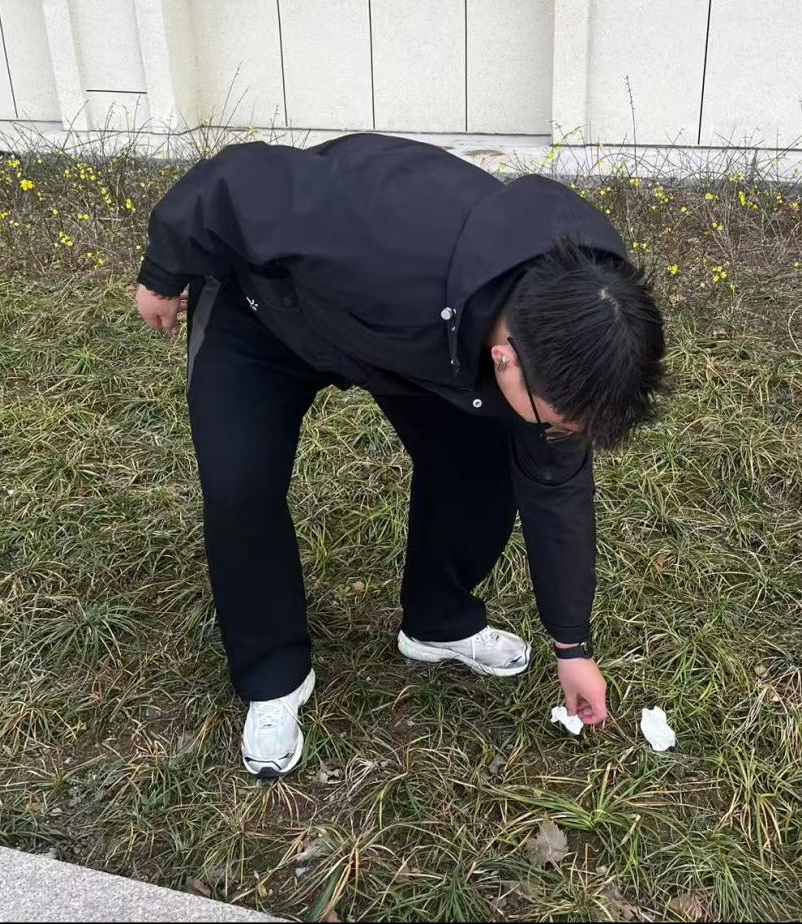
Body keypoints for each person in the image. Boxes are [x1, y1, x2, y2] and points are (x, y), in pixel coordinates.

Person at [135, 134, 665, 777]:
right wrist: (162, 274)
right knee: (238, 486)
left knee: (480, 461)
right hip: (266, 314)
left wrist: (571, 645)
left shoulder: (587, 312)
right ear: (505, 360)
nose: (555, 435)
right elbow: (239, 179)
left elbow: (557, 486)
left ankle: (438, 621)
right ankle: (274, 675)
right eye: (553, 420)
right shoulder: (380, 230)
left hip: (414, 345)